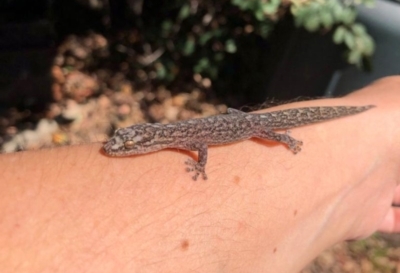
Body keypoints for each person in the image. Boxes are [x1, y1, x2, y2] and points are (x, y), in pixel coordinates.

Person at [1, 76, 400, 273]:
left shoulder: (181, 139)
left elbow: (203, 146)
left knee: (265, 130)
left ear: (147, 141)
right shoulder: (168, 137)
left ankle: (318, 130)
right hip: (233, 121)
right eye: (124, 143)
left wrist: (201, 165)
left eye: (127, 144)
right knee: (255, 123)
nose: (118, 148)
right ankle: (364, 122)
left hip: (245, 126)